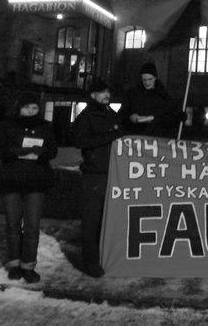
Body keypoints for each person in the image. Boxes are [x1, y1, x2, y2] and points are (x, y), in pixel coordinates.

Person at [0, 93, 58, 283]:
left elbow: (53, 151)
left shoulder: (45, 126)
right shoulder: (6, 125)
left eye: (34, 107)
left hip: (36, 181)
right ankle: (14, 264)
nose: (31, 111)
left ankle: (28, 266)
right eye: (27, 107)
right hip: (11, 180)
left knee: (32, 227)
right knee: (12, 224)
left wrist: (41, 152)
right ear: (19, 107)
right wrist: (16, 152)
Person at [73, 80, 124, 278]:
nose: (106, 95)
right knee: (91, 221)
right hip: (94, 175)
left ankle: (105, 258)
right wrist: (109, 136)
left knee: (107, 220)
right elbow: (79, 140)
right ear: (92, 95)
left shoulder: (112, 114)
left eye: (108, 91)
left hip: (113, 173)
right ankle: (91, 262)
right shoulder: (85, 117)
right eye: (102, 92)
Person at [119, 62, 184, 137]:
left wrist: (179, 117)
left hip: (157, 136)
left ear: (155, 78)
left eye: (150, 79)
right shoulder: (132, 95)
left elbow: (169, 118)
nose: (147, 83)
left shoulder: (163, 96)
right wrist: (130, 116)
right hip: (136, 135)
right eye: (144, 80)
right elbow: (122, 114)